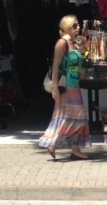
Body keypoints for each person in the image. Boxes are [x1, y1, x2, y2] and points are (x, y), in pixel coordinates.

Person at [38, 14, 91, 161]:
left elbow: (77, 63)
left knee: (73, 117)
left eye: (78, 25)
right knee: (74, 117)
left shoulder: (74, 42)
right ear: (66, 27)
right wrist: (55, 87)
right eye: (74, 25)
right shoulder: (62, 43)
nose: (78, 28)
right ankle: (54, 143)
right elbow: (55, 67)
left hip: (74, 84)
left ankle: (75, 150)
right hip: (65, 85)